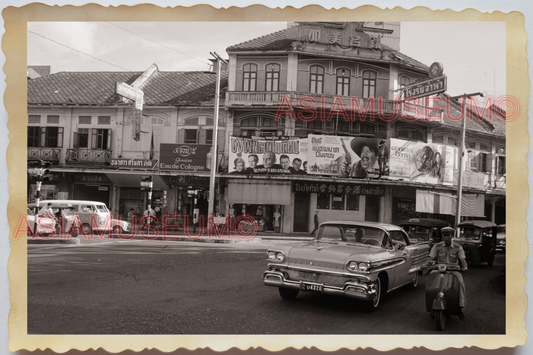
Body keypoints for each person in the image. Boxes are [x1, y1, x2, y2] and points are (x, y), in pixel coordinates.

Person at [423, 226, 468, 320]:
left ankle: (460, 308)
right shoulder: (437, 246)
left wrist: (465, 267)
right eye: (444, 235)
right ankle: (431, 306)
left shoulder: (458, 247)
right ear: (442, 236)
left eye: (448, 235)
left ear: (452, 236)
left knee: (461, 284)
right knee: (430, 281)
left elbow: (462, 259)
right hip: (439, 268)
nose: (446, 237)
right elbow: (430, 258)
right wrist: (424, 265)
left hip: (454, 269)